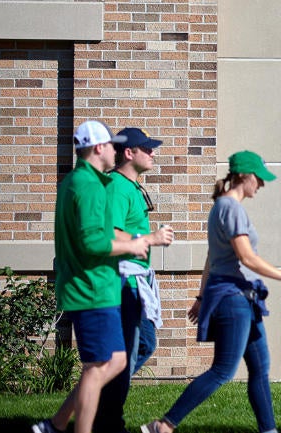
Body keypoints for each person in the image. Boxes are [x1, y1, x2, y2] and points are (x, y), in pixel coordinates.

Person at [140, 151, 281, 433]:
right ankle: (164, 425)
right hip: (233, 300)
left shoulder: (222, 207)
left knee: (259, 368)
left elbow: (212, 257)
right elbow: (246, 257)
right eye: (259, 178)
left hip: (242, 298)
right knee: (222, 370)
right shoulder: (230, 209)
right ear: (244, 176)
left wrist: (200, 297)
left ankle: (269, 430)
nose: (262, 184)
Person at [32, 120, 150, 433]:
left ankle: (55, 424)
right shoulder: (89, 185)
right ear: (99, 148)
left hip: (98, 287)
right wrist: (138, 242)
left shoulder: (78, 181)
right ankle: (68, 427)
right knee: (99, 367)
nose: (116, 150)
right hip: (92, 288)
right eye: (112, 145)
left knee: (115, 363)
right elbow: (92, 241)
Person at [93, 127, 175, 433]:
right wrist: (149, 237)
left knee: (143, 346)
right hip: (120, 284)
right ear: (130, 153)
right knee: (126, 354)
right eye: (148, 148)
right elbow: (109, 233)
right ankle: (106, 417)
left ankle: (100, 403)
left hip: (134, 284)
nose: (153, 153)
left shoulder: (131, 187)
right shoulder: (116, 186)